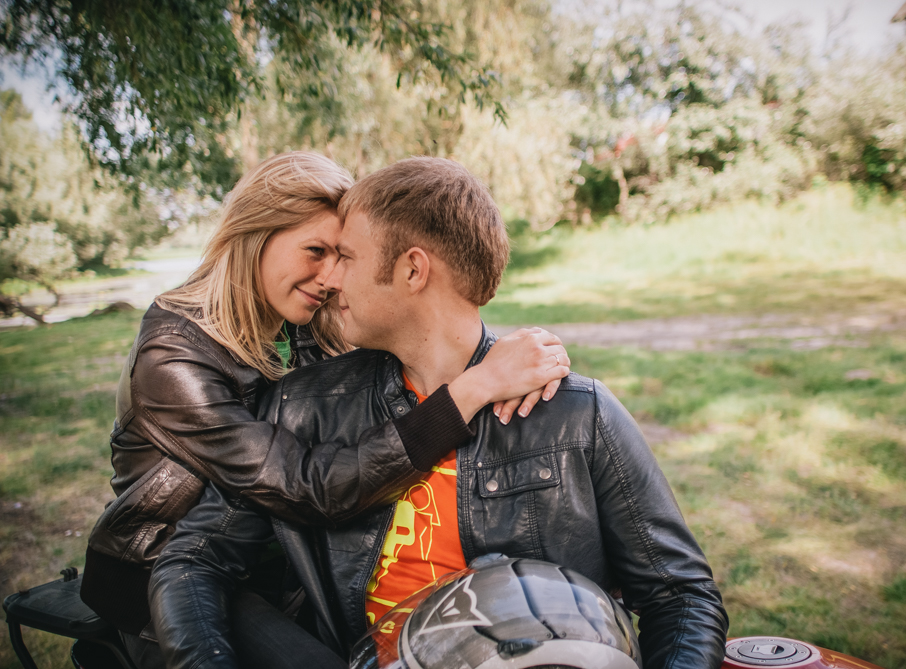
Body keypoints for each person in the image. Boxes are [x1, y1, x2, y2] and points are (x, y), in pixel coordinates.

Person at [149, 157, 729, 669]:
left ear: (412, 270)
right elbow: (196, 560)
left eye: (346, 255)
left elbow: (680, 596)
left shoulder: (576, 415)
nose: (332, 280)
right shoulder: (308, 405)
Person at [80, 152, 571, 669]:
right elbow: (300, 484)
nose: (331, 275)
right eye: (315, 251)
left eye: (341, 255)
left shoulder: (300, 324)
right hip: (170, 572)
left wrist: (522, 357)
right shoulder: (172, 358)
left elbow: (421, 339)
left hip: (278, 558)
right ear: (254, 236)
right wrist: (474, 389)